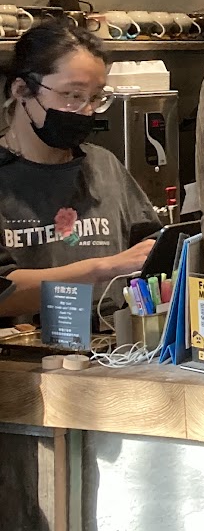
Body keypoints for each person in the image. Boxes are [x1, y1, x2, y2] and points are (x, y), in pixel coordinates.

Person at [0, 21, 158, 317]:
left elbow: (151, 247)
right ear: (22, 90)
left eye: (95, 97)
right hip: (25, 344)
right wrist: (103, 268)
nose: (86, 110)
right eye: (73, 96)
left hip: (111, 341)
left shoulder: (103, 166)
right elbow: (4, 293)